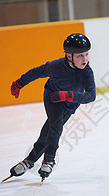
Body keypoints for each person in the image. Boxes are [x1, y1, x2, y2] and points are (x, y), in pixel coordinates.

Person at [9, 33, 96, 181]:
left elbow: (91, 96)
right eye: (80, 56)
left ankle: (29, 161)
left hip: (69, 104)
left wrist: (69, 95)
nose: (85, 59)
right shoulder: (56, 66)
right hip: (52, 98)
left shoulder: (87, 72)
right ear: (69, 56)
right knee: (55, 126)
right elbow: (36, 72)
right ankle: (49, 159)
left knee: (47, 132)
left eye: (86, 54)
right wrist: (19, 84)